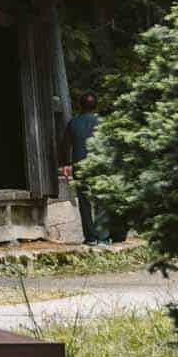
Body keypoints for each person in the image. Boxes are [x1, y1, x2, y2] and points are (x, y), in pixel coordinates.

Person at [62, 92, 113, 244]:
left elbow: (65, 146)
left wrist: (66, 163)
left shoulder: (73, 123)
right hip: (99, 164)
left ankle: (90, 237)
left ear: (80, 105)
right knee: (101, 200)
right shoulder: (103, 122)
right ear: (96, 105)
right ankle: (103, 237)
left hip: (80, 165)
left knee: (84, 202)